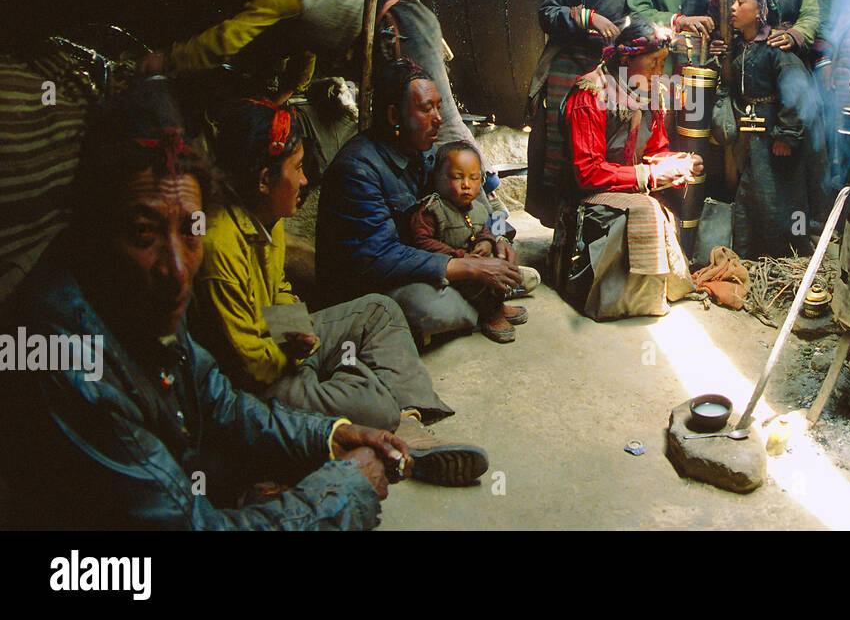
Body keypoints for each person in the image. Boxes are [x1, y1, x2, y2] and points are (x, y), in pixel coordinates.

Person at [0, 75, 441, 528]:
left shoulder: (146, 311)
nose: (176, 269)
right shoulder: (67, 356)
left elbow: (222, 404)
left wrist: (329, 435)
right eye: (142, 232)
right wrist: (342, 490)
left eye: (189, 229)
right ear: (92, 232)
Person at [193, 99, 476, 465]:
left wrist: (298, 330)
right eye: (297, 168)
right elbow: (250, 366)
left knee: (381, 310)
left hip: (281, 344)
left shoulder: (266, 217)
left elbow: (279, 289)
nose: (305, 179)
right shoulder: (218, 245)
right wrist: (303, 352)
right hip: (256, 384)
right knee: (369, 399)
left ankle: (403, 419)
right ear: (265, 179)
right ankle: (389, 430)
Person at [163, 0, 494, 194]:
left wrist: (169, 59)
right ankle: (429, 207)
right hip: (401, 23)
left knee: (438, 123)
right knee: (405, 131)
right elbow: (305, 55)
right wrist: (280, 99)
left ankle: (484, 205)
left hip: (397, 29)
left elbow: (226, 39)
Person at [317, 59, 525, 345]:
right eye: (427, 109)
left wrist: (499, 239)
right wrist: (468, 267)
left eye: (439, 107)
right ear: (394, 115)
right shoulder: (358, 169)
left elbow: (488, 205)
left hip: (439, 260)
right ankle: (486, 301)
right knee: (436, 309)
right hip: (382, 283)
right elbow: (379, 258)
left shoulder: (430, 154)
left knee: (507, 258)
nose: (439, 118)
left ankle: (489, 286)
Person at [558, 21, 702, 320]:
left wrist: (675, 163)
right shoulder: (590, 94)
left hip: (625, 187)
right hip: (588, 197)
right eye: (653, 64)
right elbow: (587, 173)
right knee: (645, 210)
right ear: (626, 60)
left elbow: (652, 151)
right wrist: (649, 176)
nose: (659, 73)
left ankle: (644, 293)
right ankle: (612, 297)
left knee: (657, 206)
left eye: (663, 64)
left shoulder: (651, 93)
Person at [525, 0, 636, 226]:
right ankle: (559, 218)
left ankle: (599, 216)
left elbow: (640, 12)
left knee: (609, 139)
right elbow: (547, 12)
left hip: (611, 63)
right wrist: (586, 17)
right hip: (569, 59)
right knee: (559, 134)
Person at [717, 0, 818, 259]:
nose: (733, 8)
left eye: (741, 2)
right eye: (733, 2)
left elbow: (796, 90)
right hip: (751, 134)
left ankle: (784, 261)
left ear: (761, 11)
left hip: (774, 134)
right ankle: (749, 257)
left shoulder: (777, 47)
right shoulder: (740, 48)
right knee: (751, 195)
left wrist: (786, 135)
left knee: (777, 197)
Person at [406, 141, 541, 343]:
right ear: (438, 178)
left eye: (474, 178)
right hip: (452, 272)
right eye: (457, 177)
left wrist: (487, 242)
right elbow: (422, 242)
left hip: (476, 262)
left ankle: (498, 305)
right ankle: (490, 315)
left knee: (499, 266)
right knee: (476, 283)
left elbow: (485, 229)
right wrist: (462, 257)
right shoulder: (432, 209)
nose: (467, 185)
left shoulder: (477, 207)